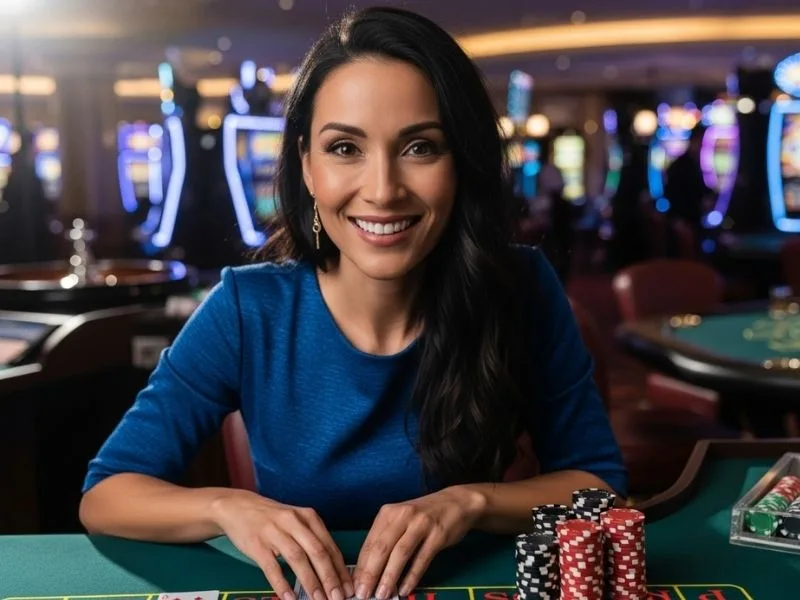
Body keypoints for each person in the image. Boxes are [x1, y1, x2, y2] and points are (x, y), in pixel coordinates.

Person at [79, 7, 626, 600]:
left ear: (461, 164)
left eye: (420, 147)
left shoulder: (521, 286)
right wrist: (227, 507)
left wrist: (470, 502)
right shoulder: (246, 308)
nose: (384, 189)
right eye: (345, 148)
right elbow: (108, 495)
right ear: (307, 167)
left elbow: (598, 484)